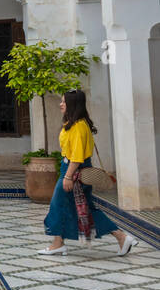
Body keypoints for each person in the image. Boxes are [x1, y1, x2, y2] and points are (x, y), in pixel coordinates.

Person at [40, 90, 138, 256]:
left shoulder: (78, 126)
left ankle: (59, 244)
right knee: (80, 207)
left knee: (58, 205)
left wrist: (68, 176)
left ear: (73, 105)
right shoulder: (75, 123)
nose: (60, 104)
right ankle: (120, 237)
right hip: (72, 169)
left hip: (74, 171)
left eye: (64, 101)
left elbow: (77, 157)